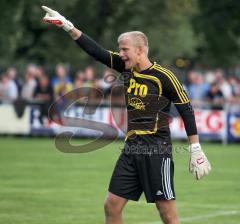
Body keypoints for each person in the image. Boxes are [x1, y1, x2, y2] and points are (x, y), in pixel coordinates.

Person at [41, 6, 211, 224]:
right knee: (111, 206)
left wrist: (195, 148)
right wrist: (67, 26)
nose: (120, 54)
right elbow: (96, 51)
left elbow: (186, 109)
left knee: (167, 213)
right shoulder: (126, 68)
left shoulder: (165, 76)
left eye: (124, 49)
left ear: (140, 50)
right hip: (131, 149)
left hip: (156, 151)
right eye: (119, 50)